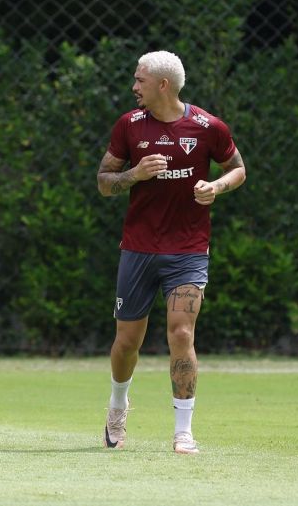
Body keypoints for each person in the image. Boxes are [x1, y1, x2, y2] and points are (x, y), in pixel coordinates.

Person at [97, 50, 246, 455]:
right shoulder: (129, 125)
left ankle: (183, 430)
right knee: (128, 341)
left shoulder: (207, 126)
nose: (134, 87)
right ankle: (117, 406)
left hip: (188, 250)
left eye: (139, 80)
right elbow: (104, 181)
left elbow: (238, 168)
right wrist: (135, 173)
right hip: (139, 249)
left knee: (182, 333)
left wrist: (215, 187)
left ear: (163, 84)